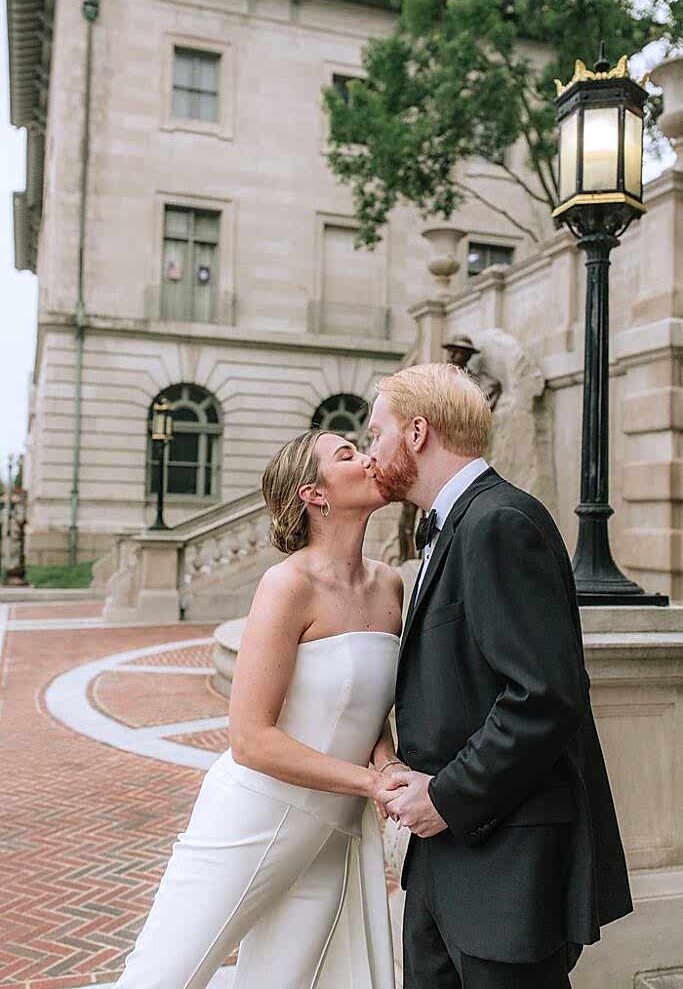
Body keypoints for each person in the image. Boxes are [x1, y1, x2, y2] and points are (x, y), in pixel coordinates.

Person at [367, 362, 633, 989]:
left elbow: (543, 698)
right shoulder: (457, 524)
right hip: (442, 859)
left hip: (504, 866)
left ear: (417, 433)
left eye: (377, 431)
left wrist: (445, 797)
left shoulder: (501, 523)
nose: (370, 448)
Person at [113, 428, 404, 989]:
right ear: (313, 494)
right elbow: (249, 739)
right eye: (347, 454)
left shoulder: (388, 584)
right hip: (254, 815)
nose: (368, 457)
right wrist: (368, 785)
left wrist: (386, 762)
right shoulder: (286, 585)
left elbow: (368, 708)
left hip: (334, 826)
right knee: (164, 977)